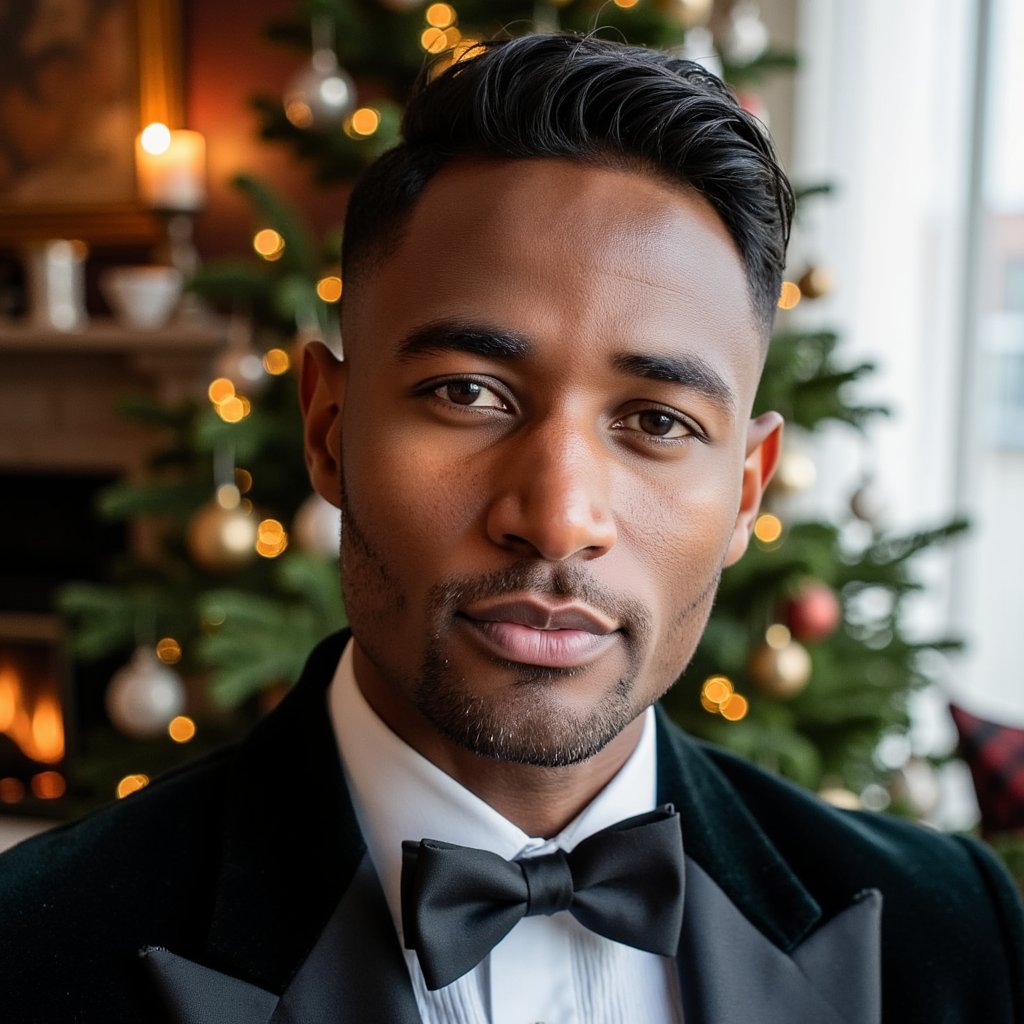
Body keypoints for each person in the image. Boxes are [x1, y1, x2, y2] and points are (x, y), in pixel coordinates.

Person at [1, 33, 1021, 1024]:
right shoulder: (31, 948)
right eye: (467, 393)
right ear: (327, 429)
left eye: (659, 422)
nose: (556, 518)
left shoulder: (957, 930)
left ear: (747, 488)